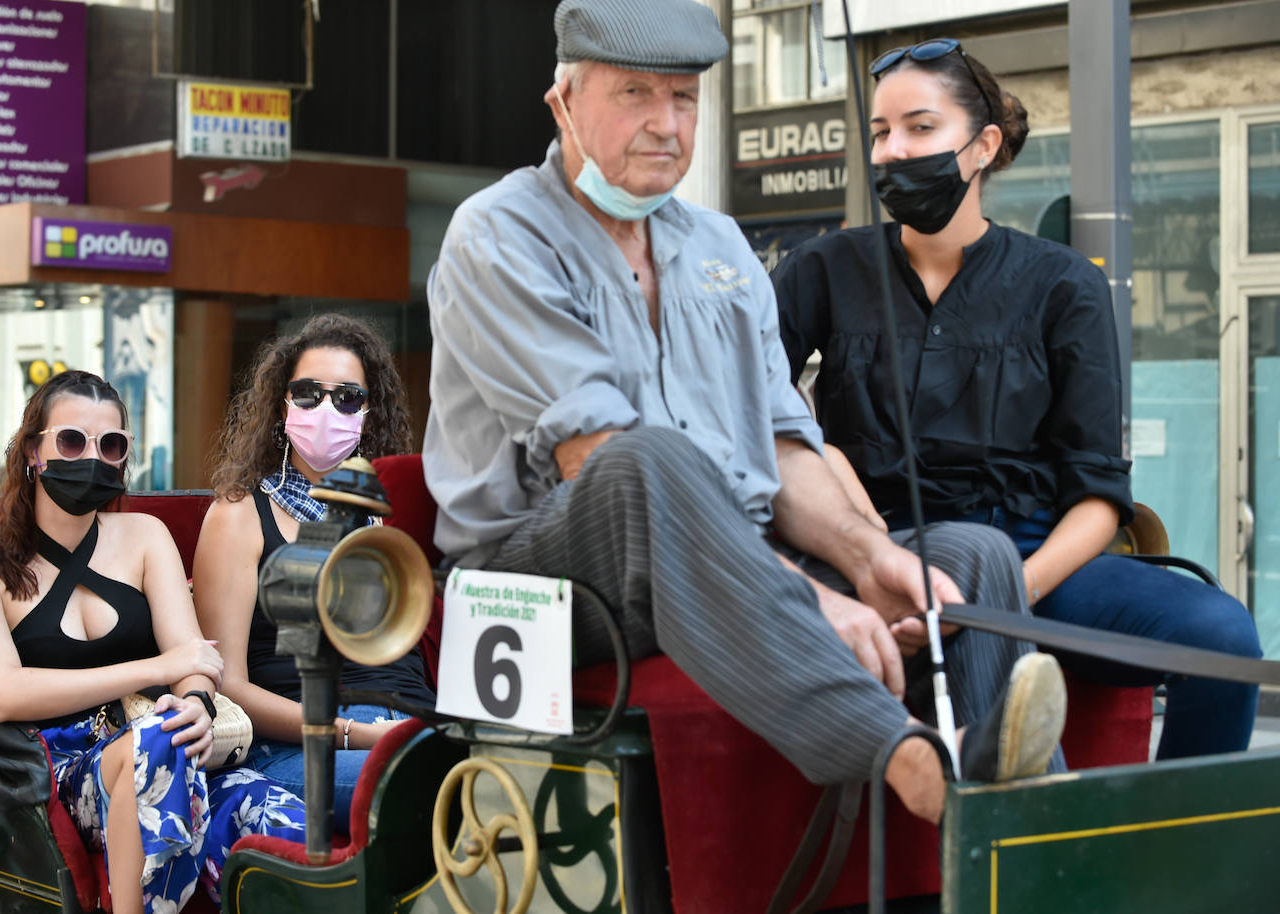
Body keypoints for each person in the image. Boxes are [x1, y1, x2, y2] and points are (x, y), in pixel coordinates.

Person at [423, 0, 1069, 827]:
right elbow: (600, 457)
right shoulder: (497, 233)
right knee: (649, 462)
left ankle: (1030, 844)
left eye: (684, 98)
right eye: (634, 96)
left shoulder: (723, 245)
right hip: (539, 586)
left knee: (968, 556)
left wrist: (869, 561)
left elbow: (783, 443)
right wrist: (805, 596)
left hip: (718, 565)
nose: (665, 124)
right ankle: (916, 765)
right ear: (564, 101)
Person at [771, 39, 1262, 759]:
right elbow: (743, 408)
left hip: (1033, 559)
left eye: (920, 127)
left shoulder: (1064, 285)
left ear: (982, 144)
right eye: (880, 133)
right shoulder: (819, 269)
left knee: (1223, 637)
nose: (894, 152)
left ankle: (1173, 857)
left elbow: (1098, 494)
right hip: (874, 550)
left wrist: (1002, 596)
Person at [0, 370, 306, 914]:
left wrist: (196, 704)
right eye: (71, 441)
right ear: (32, 452)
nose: (91, 456)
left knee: (284, 821)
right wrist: (152, 670)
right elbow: (3, 693)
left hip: (169, 742)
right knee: (155, 742)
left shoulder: (145, 537)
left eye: (110, 445)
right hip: (59, 767)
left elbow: (194, 660)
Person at [194, 313, 435, 833]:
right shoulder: (239, 515)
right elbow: (227, 684)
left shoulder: (394, 511)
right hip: (300, 743)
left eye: (348, 397)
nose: (327, 409)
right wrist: (352, 733)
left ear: (368, 415)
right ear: (282, 408)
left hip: (414, 724)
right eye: (308, 394)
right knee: (431, 788)